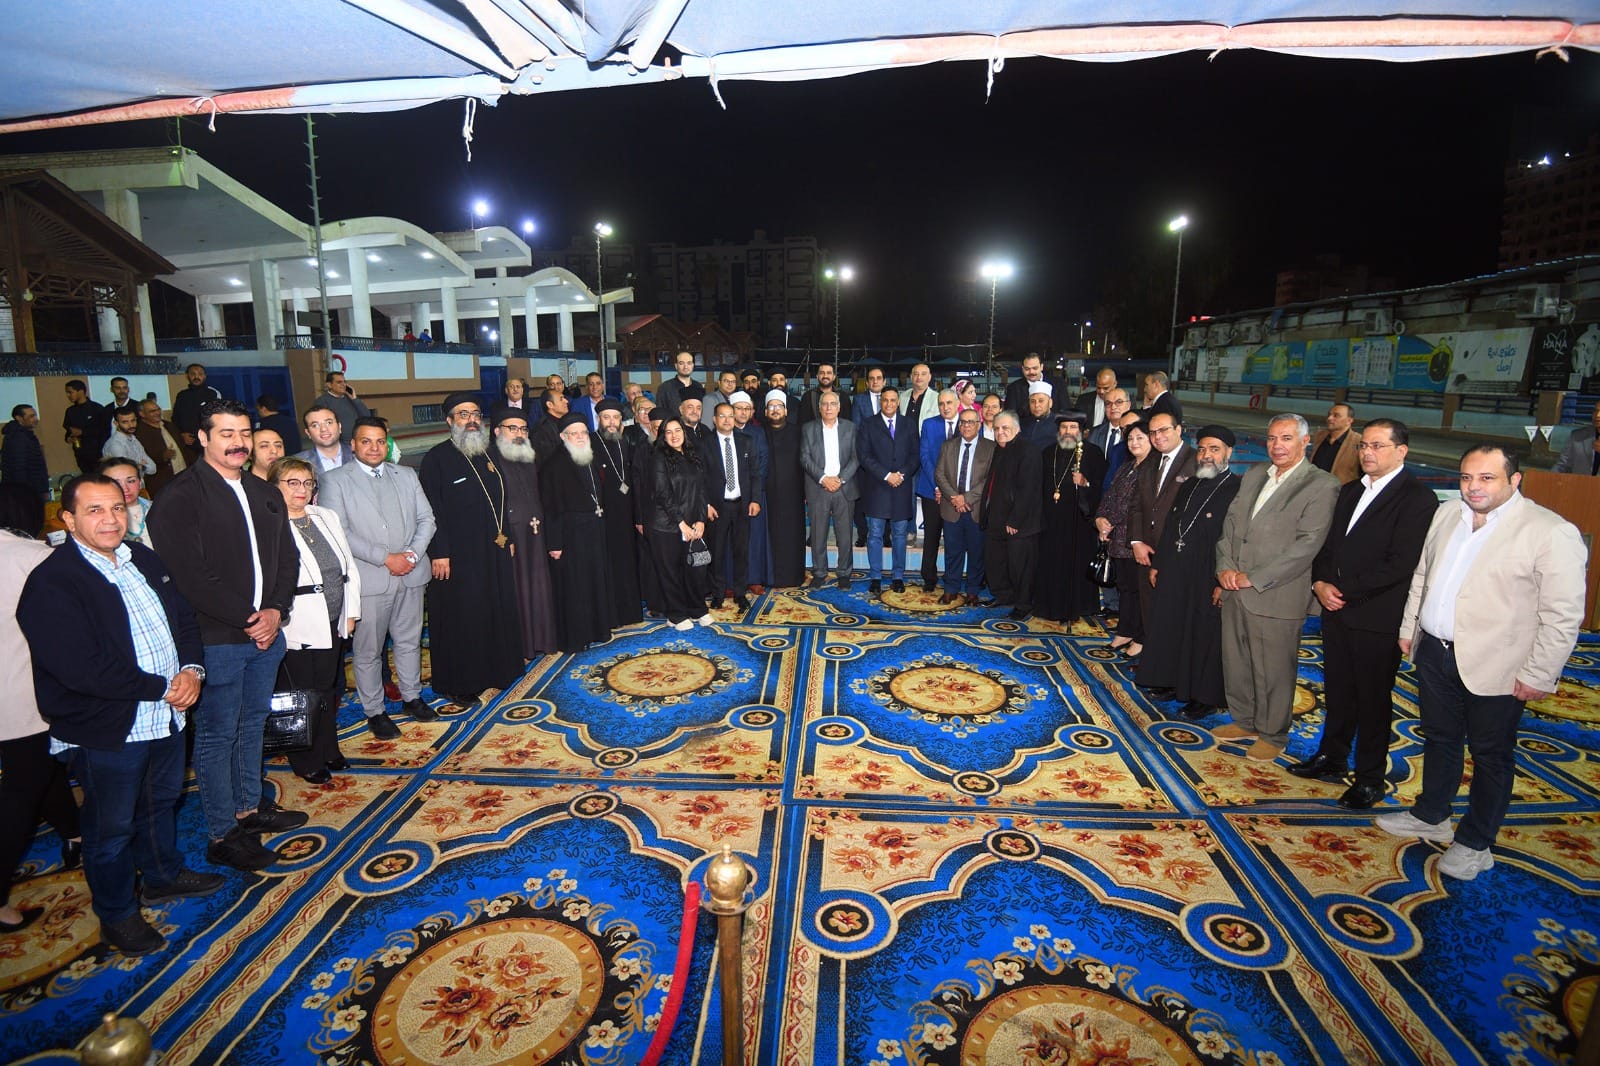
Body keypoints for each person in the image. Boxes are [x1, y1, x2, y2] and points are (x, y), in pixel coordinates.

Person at [20, 475, 220, 955]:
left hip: (166, 713)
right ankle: (116, 915)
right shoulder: (53, 581)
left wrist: (192, 670)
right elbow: (81, 667)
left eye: (116, 508)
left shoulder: (143, 559)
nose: (110, 519)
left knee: (160, 801)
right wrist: (163, 687)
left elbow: (184, 621)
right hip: (108, 726)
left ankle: (163, 876)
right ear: (68, 520)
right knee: (110, 828)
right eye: (94, 510)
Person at [1378, 444, 1586, 880]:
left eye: (1487, 478)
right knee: (1440, 737)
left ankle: (1476, 842)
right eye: (1467, 477)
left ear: (1515, 479)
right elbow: (1423, 575)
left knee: (1491, 754)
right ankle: (1432, 814)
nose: (1474, 487)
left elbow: (1563, 614)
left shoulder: (1549, 531)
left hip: (1499, 664)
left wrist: (1539, 672)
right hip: (1435, 651)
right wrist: (1409, 626)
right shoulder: (1446, 514)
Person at [148, 399, 303, 873]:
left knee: (253, 722)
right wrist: (250, 617)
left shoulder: (263, 490)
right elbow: (189, 576)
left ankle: (248, 807)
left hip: (266, 633)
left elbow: (288, 557)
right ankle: (222, 833)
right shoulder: (179, 497)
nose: (238, 443)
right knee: (217, 734)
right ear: (203, 438)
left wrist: (275, 610)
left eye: (244, 434)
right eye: (226, 434)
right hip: (216, 638)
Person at [1291, 418, 1438, 807]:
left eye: (1377, 446)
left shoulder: (1417, 499)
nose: (1367, 453)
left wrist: (1343, 590)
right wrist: (1320, 582)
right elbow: (1328, 546)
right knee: (1339, 690)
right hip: (1336, 609)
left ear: (1401, 451)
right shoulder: (1351, 490)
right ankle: (1332, 756)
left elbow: (1401, 563)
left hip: (1376, 616)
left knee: (1373, 700)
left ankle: (1370, 778)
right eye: (1363, 446)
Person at [1213, 413, 1340, 762]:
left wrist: (1253, 577)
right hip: (1235, 587)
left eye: (1286, 438)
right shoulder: (1256, 474)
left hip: (1276, 593)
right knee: (1237, 661)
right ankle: (1245, 720)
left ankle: (1273, 733)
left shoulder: (1321, 484)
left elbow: (1307, 545)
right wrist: (1225, 567)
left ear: (1305, 442)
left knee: (1273, 669)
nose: (1277, 446)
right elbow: (1230, 526)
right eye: (1272, 439)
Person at [318, 417, 436, 739]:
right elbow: (338, 531)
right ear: (353, 445)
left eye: (380, 441)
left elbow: (427, 519)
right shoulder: (335, 481)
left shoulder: (406, 475)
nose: (374, 448)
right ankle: (375, 710)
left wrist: (411, 555)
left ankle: (412, 697)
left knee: (409, 640)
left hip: (411, 573)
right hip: (370, 579)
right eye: (366, 441)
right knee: (369, 650)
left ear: (388, 444)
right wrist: (385, 558)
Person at [0, 484, 81, 936]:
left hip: (10, 695)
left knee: (38, 766)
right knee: (21, 787)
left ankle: (74, 831)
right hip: (22, 690)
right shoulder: (33, 556)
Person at [419, 393, 526, 704]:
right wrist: (439, 552)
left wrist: (508, 538)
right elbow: (430, 510)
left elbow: (502, 501)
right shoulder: (437, 459)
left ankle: (495, 670)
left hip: (492, 550)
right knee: (463, 618)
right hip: (457, 556)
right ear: (450, 421)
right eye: (463, 414)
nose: (471, 420)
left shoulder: (486, 453)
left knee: (492, 609)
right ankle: (459, 683)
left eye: (476, 414)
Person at [1136, 425, 1242, 717]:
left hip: (1208, 572)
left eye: (1214, 449)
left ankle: (1203, 696)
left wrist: (1223, 580)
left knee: (1203, 634)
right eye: (1203, 449)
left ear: (1229, 452)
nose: (1207, 455)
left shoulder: (1237, 489)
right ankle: (1171, 680)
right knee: (1173, 625)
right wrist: (1159, 564)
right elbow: (1172, 526)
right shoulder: (1190, 484)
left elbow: (1238, 538)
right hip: (1176, 567)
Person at [270, 457, 360, 784]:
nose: (302, 490)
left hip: (332, 618)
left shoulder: (325, 516)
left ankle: (328, 749)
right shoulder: (270, 525)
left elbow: (348, 565)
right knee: (301, 694)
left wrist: (351, 612)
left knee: (326, 689)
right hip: (296, 624)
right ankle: (306, 759)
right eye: (292, 483)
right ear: (274, 487)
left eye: (307, 483)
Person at [539, 415, 618, 650]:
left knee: (595, 581)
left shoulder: (588, 457)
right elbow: (550, 507)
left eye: (583, 432)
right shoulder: (554, 465)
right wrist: (554, 543)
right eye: (574, 433)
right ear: (563, 437)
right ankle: (578, 636)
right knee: (576, 586)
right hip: (571, 534)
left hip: (593, 528)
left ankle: (598, 628)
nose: (581, 437)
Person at [486, 408, 557, 656]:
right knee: (518, 589)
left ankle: (542, 640)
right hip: (511, 537)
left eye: (523, 429)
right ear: (497, 431)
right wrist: (504, 536)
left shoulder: (529, 456)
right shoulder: (490, 461)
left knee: (539, 586)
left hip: (536, 531)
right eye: (512, 428)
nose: (519, 434)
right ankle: (523, 644)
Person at [1126, 411, 1196, 636]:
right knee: (1149, 609)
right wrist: (1136, 541)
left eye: (1163, 430)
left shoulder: (1195, 461)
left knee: (1174, 615)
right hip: (1147, 551)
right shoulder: (1150, 461)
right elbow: (1136, 505)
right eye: (1153, 432)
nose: (1158, 436)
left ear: (1178, 430)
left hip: (1178, 553)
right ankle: (1151, 654)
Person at [1034, 412, 1107, 625]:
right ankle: (1049, 605)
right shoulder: (1048, 452)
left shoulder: (1093, 453)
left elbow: (1102, 487)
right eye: (1064, 427)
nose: (1068, 432)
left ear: (1081, 431)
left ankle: (1076, 606)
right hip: (1051, 520)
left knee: (1075, 564)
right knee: (1051, 563)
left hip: (1079, 522)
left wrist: (1085, 483)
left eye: (1073, 427)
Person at [1094, 417, 1153, 657]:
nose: (1134, 442)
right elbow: (1109, 497)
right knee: (1126, 588)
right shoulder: (1127, 467)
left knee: (1140, 591)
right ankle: (1125, 631)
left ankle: (1140, 636)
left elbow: (1140, 507)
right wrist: (1100, 519)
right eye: (1130, 438)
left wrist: (1113, 524)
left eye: (1140, 437)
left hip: (1138, 541)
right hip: (1118, 540)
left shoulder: (1154, 470)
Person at [648, 416, 713, 630]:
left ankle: (697, 609)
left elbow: (702, 490)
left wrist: (701, 520)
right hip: (666, 525)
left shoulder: (692, 455)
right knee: (671, 572)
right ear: (663, 436)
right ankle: (676, 615)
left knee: (695, 570)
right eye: (669, 431)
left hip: (693, 522)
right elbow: (663, 493)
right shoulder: (659, 458)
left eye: (678, 430)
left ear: (684, 433)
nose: (674, 435)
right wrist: (681, 523)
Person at [858, 385, 919, 596]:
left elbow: (915, 455)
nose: (889, 403)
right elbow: (864, 456)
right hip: (877, 486)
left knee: (900, 534)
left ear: (898, 402)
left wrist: (901, 474)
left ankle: (897, 576)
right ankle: (875, 576)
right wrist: (886, 475)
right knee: (875, 533)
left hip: (901, 485)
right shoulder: (868, 424)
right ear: (880, 401)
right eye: (885, 400)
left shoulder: (909, 424)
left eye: (893, 400)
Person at [982, 412, 1043, 620]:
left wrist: (1015, 520)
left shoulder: (1028, 451)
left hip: (1019, 523)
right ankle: (1004, 596)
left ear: (1017, 429)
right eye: (997, 429)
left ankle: (1024, 604)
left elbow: (1028, 489)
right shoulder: (1000, 449)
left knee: (1021, 566)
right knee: (997, 562)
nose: (1000, 432)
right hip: (997, 519)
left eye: (1005, 428)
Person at [699, 401, 759, 609]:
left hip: (742, 505)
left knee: (741, 552)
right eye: (722, 416)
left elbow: (755, 474)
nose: (727, 420)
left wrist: (755, 499)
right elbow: (699, 478)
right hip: (717, 507)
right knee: (717, 552)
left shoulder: (746, 441)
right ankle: (718, 593)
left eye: (730, 416)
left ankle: (740, 593)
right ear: (714, 420)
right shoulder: (704, 444)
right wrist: (706, 504)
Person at [935, 409, 995, 605]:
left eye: (970, 422)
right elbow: (939, 474)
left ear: (979, 424)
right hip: (951, 507)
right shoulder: (948, 446)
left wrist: (966, 499)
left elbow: (989, 480)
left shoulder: (991, 448)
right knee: (952, 551)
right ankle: (951, 589)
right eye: (962, 422)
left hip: (975, 508)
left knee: (977, 552)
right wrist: (955, 498)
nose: (966, 426)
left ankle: (972, 591)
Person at [800, 391, 859, 589]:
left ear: (839, 407)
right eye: (824, 404)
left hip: (844, 488)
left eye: (833, 404)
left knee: (845, 535)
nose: (828, 408)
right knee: (818, 534)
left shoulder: (851, 428)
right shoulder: (808, 428)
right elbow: (804, 457)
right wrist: (824, 478)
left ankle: (844, 573)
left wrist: (840, 480)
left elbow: (856, 458)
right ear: (819, 407)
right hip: (819, 487)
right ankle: (819, 573)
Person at [593, 399, 644, 625]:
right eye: (607, 418)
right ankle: (612, 614)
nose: (612, 422)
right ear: (599, 419)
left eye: (616, 417)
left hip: (626, 513)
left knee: (627, 562)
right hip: (604, 515)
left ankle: (630, 611)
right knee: (610, 564)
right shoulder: (592, 443)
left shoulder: (624, 442)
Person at [916, 389, 962, 593]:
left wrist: (951, 492)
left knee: (954, 539)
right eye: (941, 404)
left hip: (958, 494)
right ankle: (928, 577)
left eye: (949, 403)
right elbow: (925, 457)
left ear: (958, 403)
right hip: (932, 490)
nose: (945, 407)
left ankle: (953, 577)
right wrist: (938, 486)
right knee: (931, 536)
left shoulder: (968, 423)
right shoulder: (929, 424)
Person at [762, 389, 807, 588]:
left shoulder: (798, 432)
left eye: (779, 406)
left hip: (793, 494)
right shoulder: (759, 433)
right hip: (767, 495)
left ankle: (794, 576)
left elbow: (805, 463)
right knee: (769, 536)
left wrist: (805, 492)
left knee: (792, 536)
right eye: (771, 406)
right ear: (765, 412)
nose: (775, 410)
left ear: (786, 410)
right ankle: (769, 576)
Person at [731, 392, 773, 592]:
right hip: (730, 495)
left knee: (754, 538)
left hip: (754, 494)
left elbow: (763, 461)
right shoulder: (723, 432)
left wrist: (752, 491)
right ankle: (731, 581)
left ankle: (754, 578)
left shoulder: (758, 432)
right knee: (731, 539)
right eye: (739, 408)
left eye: (746, 409)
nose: (743, 412)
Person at [171, 363, 222, 462]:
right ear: (187, 376)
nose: (196, 377)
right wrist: (182, 435)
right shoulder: (182, 395)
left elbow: (219, 418)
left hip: (209, 442)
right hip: (189, 444)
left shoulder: (212, 394)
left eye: (200, 374)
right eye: (193, 374)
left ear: (205, 376)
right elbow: (175, 418)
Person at [135, 399, 186, 497]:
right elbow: (142, 458)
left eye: (158, 409)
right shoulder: (140, 433)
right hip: (162, 483)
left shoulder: (169, 425)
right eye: (152, 411)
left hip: (183, 476)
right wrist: (162, 456)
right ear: (142, 414)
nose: (157, 413)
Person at [99, 457, 153, 548]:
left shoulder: (157, 508)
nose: (125, 489)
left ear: (140, 482)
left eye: (131, 481)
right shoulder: (99, 520)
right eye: (116, 483)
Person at [1003, 353, 1067, 426]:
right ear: (1022, 369)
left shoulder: (1058, 384)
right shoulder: (1013, 388)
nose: (1031, 372)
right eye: (1027, 369)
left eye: (1035, 368)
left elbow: (1065, 411)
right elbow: (1010, 417)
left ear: (1041, 367)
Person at [62, 379, 110, 473]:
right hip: (80, 453)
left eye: (70, 392)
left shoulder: (97, 409)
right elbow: (69, 429)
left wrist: (83, 432)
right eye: (67, 393)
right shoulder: (70, 411)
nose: (68, 395)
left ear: (81, 391)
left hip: (97, 453)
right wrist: (68, 438)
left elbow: (105, 430)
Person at [2, 404, 49, 499]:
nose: (36, 419)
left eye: (35, 415)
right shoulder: (17, 438)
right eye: (31, 416)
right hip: (26, 492)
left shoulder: (26, 435)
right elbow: (18, 468)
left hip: (31, 490)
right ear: (19, 418)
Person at [1310, 403, 1360, 484]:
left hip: (1340, 490)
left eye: (1336, 415)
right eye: (1329, 415)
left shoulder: (1358, 442)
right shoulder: (1320, 436)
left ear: (1349, 421)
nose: (1329, 418)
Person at [317, 372, 372, 442]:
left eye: (344, 382)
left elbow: (367, 417)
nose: (343, 384)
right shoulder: (322, 401)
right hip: (340, 443)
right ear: (329, 385)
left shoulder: (350, 398)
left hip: (358, 439)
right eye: (339, 382)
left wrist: (355, 399)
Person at [101, 407, 157, 476]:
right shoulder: (115, 444)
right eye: (125, 422)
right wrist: (141, 466)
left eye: (133, 420)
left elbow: (153, 468)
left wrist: (141, 467)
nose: (131, 425)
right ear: (116, 423)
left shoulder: (134, 440)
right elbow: (127, 472)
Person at [298, 404, 354, 472]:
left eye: (329, 423)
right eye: (315, 425)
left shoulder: (358, 454)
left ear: (339, 427)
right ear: (308, 433)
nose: (323, 429)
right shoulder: (298, 463)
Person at [656, 351, 705, 421]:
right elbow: (660, 414)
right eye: (681, 363)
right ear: (676, 366)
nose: (685, 367)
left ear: (693, 365)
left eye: (689, 363)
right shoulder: (665, 388)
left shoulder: (698, 386)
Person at [1551, 404, 1600, 474]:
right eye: (1596, 411)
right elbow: (1562, 466)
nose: (1597, 415)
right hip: (1580, 481)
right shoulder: (1577, 436)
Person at [1019, 384, 1059, 451]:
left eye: (1041, 401)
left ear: (1050, 403)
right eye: (1032, 401)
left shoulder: (1059, 424)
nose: (1036, 405)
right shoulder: (1021, 423)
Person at [900, 362, 937, 432]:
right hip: (904, 437)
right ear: (911, 377)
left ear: (929, 377)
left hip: (926, 438)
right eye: (916, 374)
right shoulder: (902, 396)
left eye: (923, 374)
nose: (919, 377)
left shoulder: (936, 398)